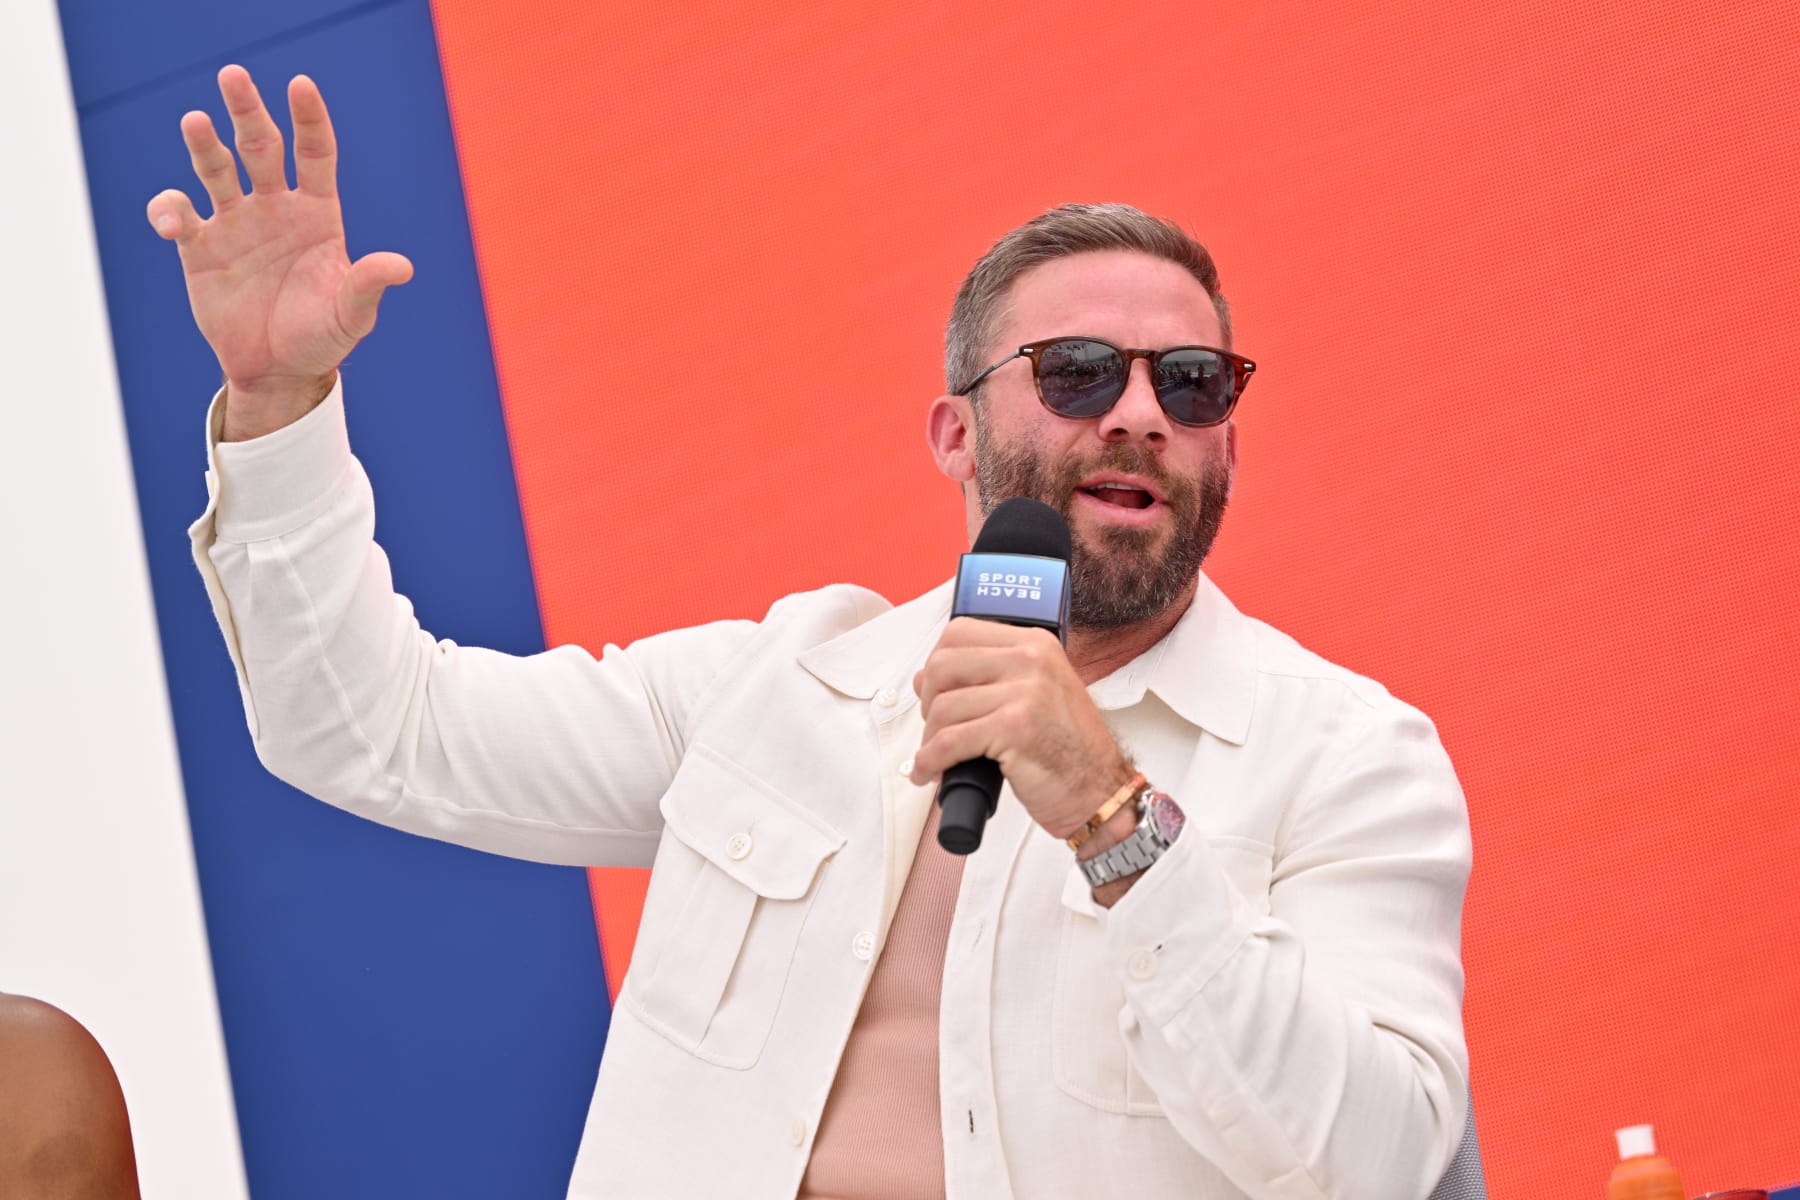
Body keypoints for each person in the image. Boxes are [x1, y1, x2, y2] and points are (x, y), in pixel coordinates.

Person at [150, 64, 1472, 1200]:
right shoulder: (781, 687)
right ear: (956, 433)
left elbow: (1373, 1162)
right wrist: (278, 398)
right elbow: (371, 732)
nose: (1138, 413)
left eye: (1189, 383)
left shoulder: (1346, 759)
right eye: (1077, 372)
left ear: (1226, 439)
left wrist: (1115, 819)